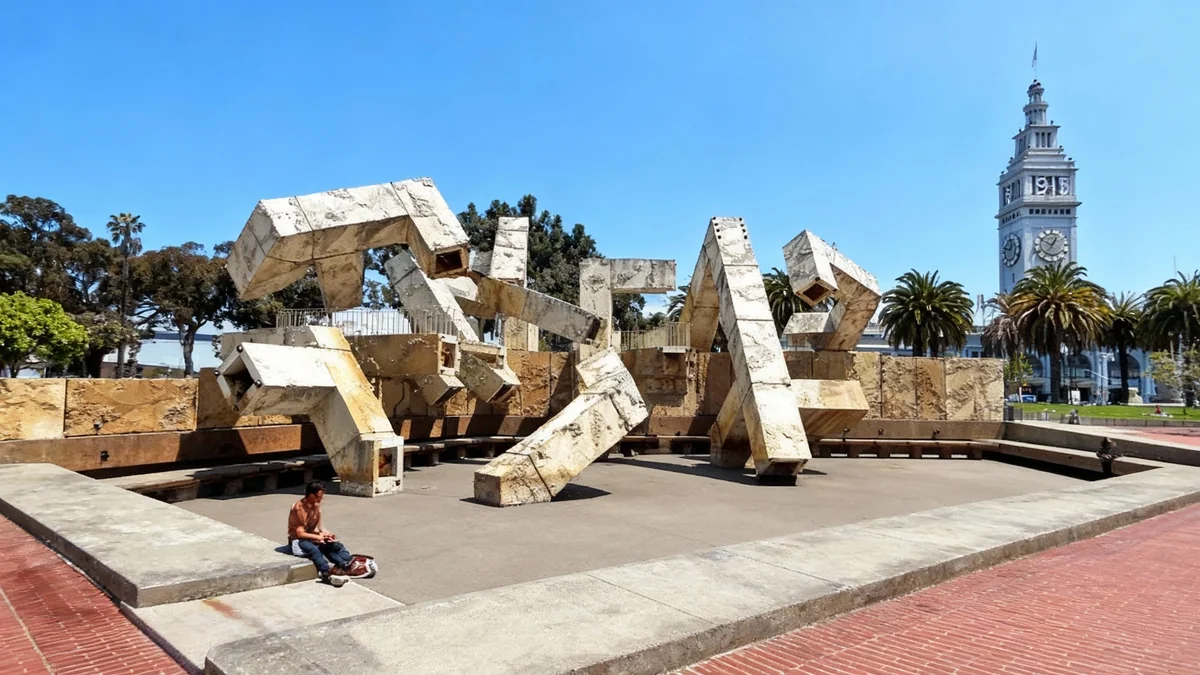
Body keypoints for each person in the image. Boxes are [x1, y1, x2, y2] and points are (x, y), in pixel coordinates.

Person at [288, 480, 353, 586]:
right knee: (315, 549)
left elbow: (320, 528)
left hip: (310, 536)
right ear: (311, 495)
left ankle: (346, 564)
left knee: (333, 545)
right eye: (319, 496)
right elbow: (300, 534)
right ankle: (325, 572)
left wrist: (327, 534)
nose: (321, 499)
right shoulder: (298, 508)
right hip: (297, 540)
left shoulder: (316, 506)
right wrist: (318, 538)